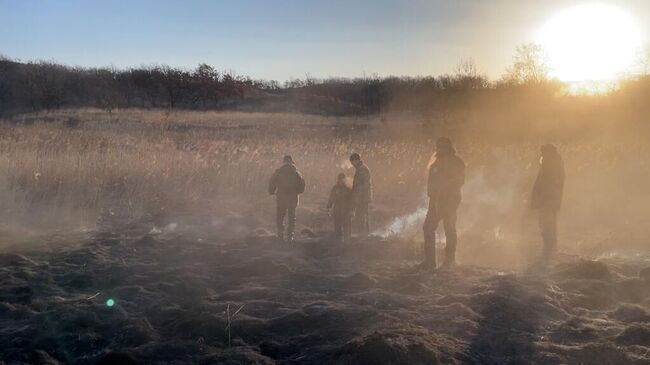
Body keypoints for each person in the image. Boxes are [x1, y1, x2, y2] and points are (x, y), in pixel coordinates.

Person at [422, 137, 465, 270]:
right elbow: (431, 181)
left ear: (449, 147)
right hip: (435, 200)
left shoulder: (457, 162)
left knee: (449, 229)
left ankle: (449, 261)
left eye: (443, 146)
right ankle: (429, 261)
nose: (439, 148)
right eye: (438, 146)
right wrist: (432, 194)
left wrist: (445, 188)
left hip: (450, 200)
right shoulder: (436, 162)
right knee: (428, 228)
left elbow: (459, 181)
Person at [531, 144, 565, 263]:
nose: (541, 154)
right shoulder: (552, 163)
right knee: (546, 224)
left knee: (547, 224)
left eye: (543, 152)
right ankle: (548, 250)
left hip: (549, 200)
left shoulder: (552, 164)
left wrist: (539, 198)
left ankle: (548, 251)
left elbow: (546, 183)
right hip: (549, 200)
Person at [268, 155, 305, 242]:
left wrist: (272, 191)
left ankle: (280, 235)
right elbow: (302, 185)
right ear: (291, 162)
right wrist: (297, 192)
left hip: (281, 197)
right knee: (292, 217)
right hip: (293, 198)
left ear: (283, 162)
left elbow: (272, 182)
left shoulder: (278, 172)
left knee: (280, 216)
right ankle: (290, 236)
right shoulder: (296, 173)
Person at [349, 153, 372, 237]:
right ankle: (364, 235)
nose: (352, 164)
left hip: (362, 198)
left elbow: (360, 186)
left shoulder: (361, 170)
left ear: (356, 160)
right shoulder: (361, 169)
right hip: (362, 197)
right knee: (362, 216)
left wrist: (356, 199)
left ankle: (363, 236)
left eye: (352, 162)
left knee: (362, 216)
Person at [327, 173, 353, 243]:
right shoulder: (335, 188)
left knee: (347, 228)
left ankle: (348, 243)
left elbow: (352, 200)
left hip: (346, 211)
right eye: (340, 179)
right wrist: (328, 207)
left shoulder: (348, 189)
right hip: (337, 210)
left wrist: (352, 210)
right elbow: (331, 198)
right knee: (337, 227)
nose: (341, 181)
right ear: (338, 180)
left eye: (343, 179)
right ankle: (338, 243)